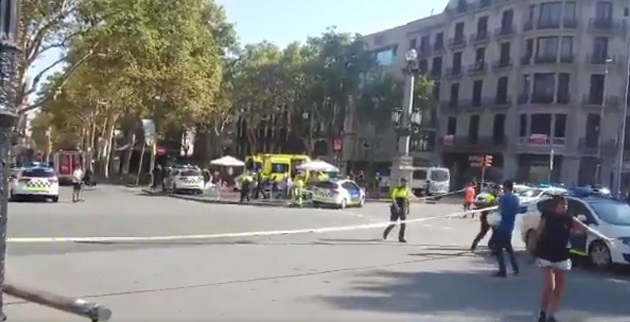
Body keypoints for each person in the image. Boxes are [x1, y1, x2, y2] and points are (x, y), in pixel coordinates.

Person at [534, 195, 585, 322]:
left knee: (558, 289)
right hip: (546, 254)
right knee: (549, 286)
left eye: (566, 206)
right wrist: (533, 247)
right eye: (562, 205)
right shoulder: (547, 216)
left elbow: (580, 231)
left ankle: (552, 315)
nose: (565, 207)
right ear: (556, 206)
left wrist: (581, 227)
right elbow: (538, 231)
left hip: (562, 255)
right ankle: (542, 313)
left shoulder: (568, 219)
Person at [490, 180, 520, 277]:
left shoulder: (503, 198)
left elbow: (499, 211)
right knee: (509, 248)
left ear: (506, 187)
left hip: (501, 226)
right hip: (510, 226)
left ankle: (502, 271)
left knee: (498, 248)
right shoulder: (516, 199)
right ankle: (515, 268)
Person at [470, 184, 500, 252]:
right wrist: (476, 209)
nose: (498, 192)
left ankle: (491, 245)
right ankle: (474, 245)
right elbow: (484, 205)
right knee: (483, 233)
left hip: (493, 217)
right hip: (486, 217)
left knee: (496, 233)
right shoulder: (490, 197)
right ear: (494, 190)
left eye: (499, 190)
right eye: (497, 190)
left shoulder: (498, 197)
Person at [383, 178, 410, 243]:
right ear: (401, 182)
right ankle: (386, 232)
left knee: (403, 223)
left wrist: (408, 208)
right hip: (396, 205)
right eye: (404, 182)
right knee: (393, 222)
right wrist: (396, 206)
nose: (405, 184)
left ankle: (401, 237)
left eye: (406, 182)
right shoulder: (397, 189)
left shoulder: (406, 190)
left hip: (403, 205)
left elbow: (407, 199)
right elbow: (393, 198)